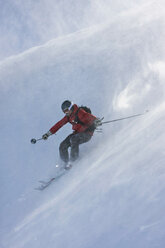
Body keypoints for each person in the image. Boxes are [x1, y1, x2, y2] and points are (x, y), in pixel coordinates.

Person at [42, 100, 101, 169]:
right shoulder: (68, 116)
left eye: (66, 110)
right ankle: (65, 163)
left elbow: (90, 117)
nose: (66, 112)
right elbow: (59, 124)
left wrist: (96, 121)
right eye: (64, 111)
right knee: (62, 145)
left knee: (74, 139)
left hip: (86, 134)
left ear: (71, 107)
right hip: (77, 133)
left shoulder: (80, 112)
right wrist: (48, 134)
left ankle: (73, 161)